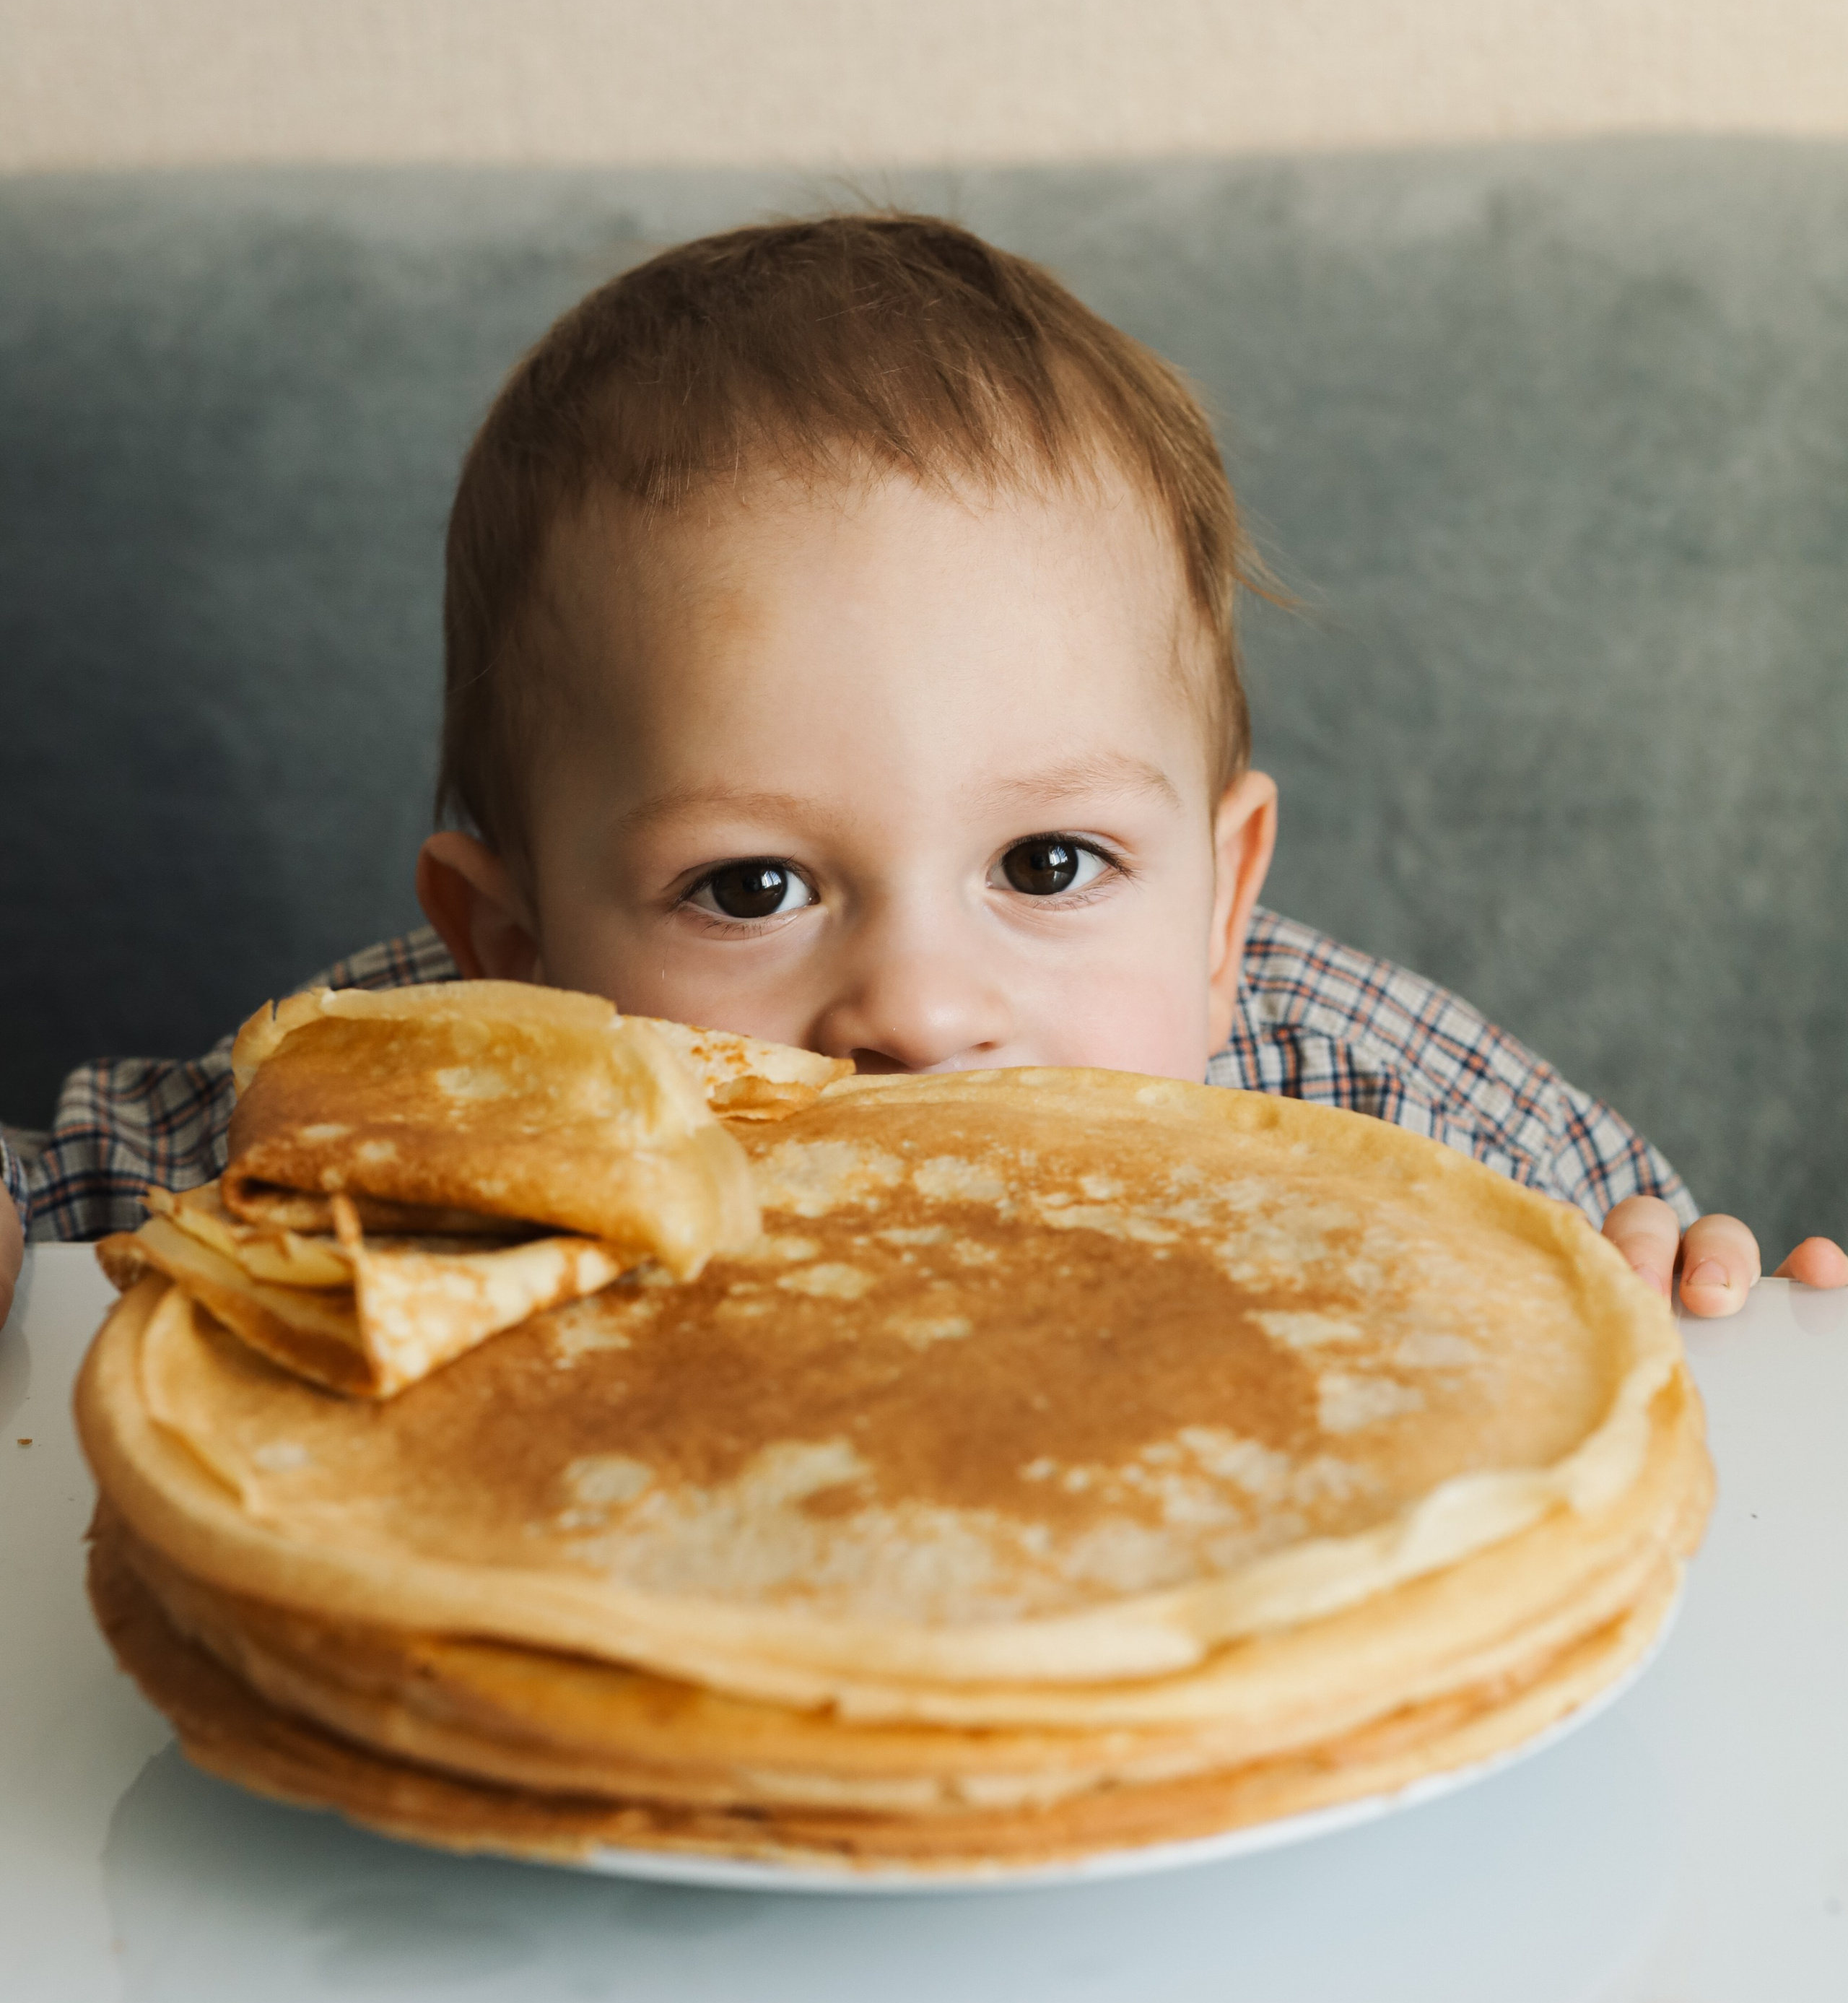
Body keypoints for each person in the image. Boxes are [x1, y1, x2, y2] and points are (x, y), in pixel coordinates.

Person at [2, 214, 1842, 1337]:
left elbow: (1655, 1297)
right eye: (751, 887)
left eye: (1048, 864)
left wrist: (1688, 1297)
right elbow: (89, 1205)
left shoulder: (1377, 1107)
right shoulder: (439, 1100)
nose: (921, 1011)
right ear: (516, 949)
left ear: (1221, 904)